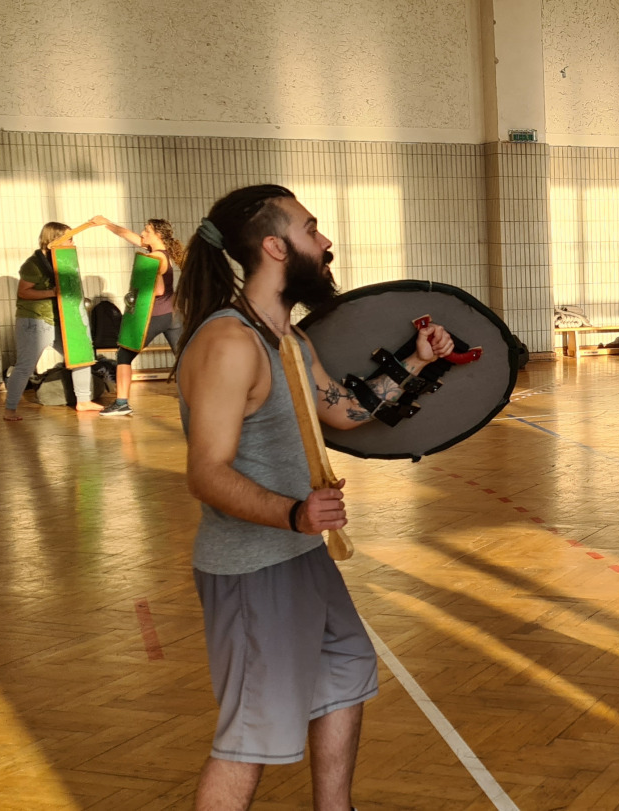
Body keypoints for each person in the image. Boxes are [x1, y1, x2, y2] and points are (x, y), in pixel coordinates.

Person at [176, 184, 455, 810]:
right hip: (252, 569)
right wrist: (294, 513)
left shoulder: (289, 339)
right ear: (275, 248)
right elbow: (206, 473)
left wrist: (415, 362)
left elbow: (344, 410)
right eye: (310, 229)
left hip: (300, 555)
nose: (325, 242)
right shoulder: (230, 343)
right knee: (251, 736)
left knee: (344, 672)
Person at [86, 215, 185, 416]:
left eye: (146, 230)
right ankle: (201, 397)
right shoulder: (161, 253)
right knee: (184, 358)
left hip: (156, 315)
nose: (142, 233)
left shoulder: (154, 258)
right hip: (173, 315)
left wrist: (134, 295)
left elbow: (158, 290)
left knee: (124, 355)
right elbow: (128, 235)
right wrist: (107, 224)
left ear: (157, 235)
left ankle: (121, 403)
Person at [2, 222, 101, 419]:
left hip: (60, 319)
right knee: (25, 366)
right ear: (55, 239)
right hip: (35, 321)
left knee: (80, 357)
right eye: (69, 238)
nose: (73, 242)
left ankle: (83, 400)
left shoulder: (62, 261)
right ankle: (10, 409)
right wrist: (53, 292)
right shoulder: (34, 264)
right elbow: (24, 292)